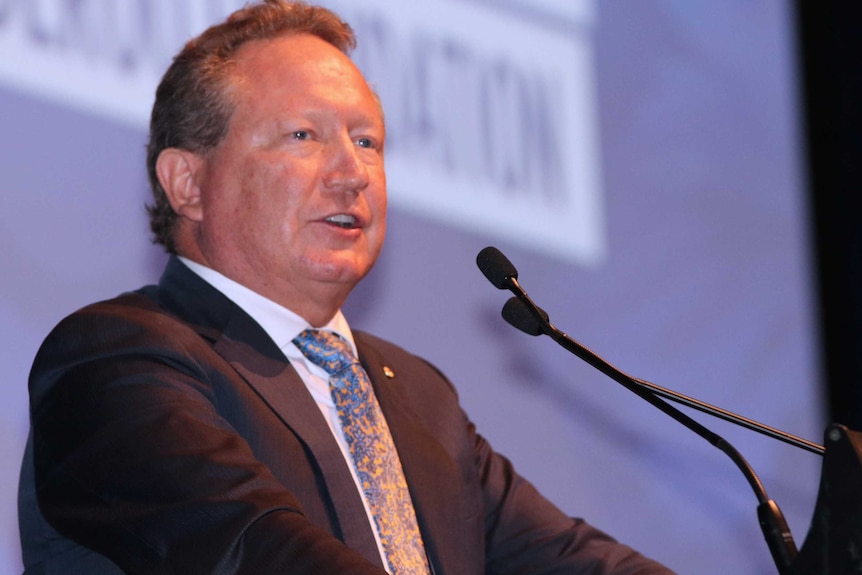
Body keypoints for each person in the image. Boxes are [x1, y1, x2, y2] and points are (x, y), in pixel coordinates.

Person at [18, 1, 674, 573]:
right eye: (304, 135)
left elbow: (571, 560)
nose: (351, 172)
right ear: (188, 183)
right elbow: (253, 552)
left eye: (368, 141)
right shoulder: (115, 360)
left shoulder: (418, 396)